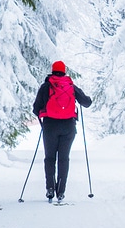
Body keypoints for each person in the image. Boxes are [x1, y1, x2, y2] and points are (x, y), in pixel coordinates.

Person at [32, 60, 92, 202]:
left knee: (50, 158)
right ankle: (61, 192)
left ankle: (50, 189)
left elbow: (35, 108)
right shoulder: (70, 86)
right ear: (64, 71)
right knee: (64, 159)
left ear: (52, 71)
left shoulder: (46, 86)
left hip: (50, 126)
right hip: (68, 127)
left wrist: (44, 115)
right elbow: (87, 103)